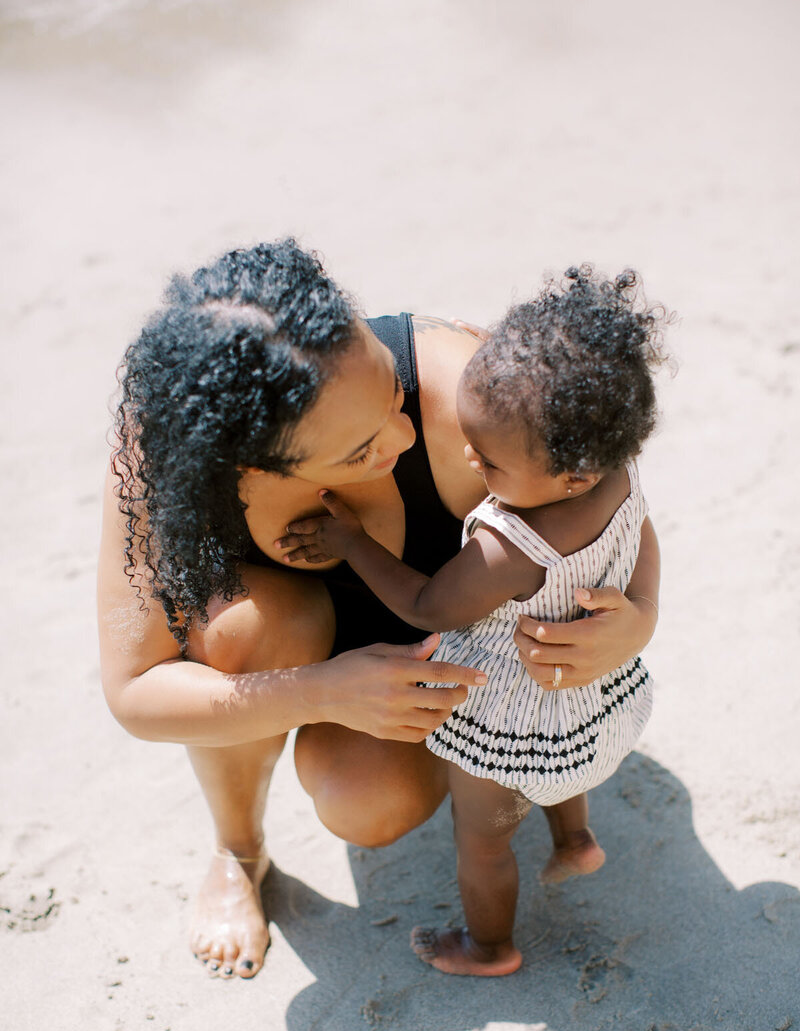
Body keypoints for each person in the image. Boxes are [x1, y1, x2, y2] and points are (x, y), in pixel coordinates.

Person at [97, 242, 661, 981]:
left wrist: (638, 618)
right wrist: (324, 690)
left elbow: (604, 480)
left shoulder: (471, 393)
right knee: (239, 631)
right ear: (250, 468)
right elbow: (136, 693)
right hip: (306, 651)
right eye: (364, 446)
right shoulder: (165, 461)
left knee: (369, 805)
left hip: (452, 637)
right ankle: (237, 850)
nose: (406, 437)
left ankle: (505, 790)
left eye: (392, 395)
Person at [280, 266, 665, 976]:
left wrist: (350, 543)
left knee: (482, 841)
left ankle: (488, 945)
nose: (466, 457)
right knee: (556, 738)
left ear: (569, 473)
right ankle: (574, 837)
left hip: (509, 720)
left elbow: (426, 606)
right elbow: (644, 542)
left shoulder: (512, 546)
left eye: (487, 459)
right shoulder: (617, 472)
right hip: (594, 705)